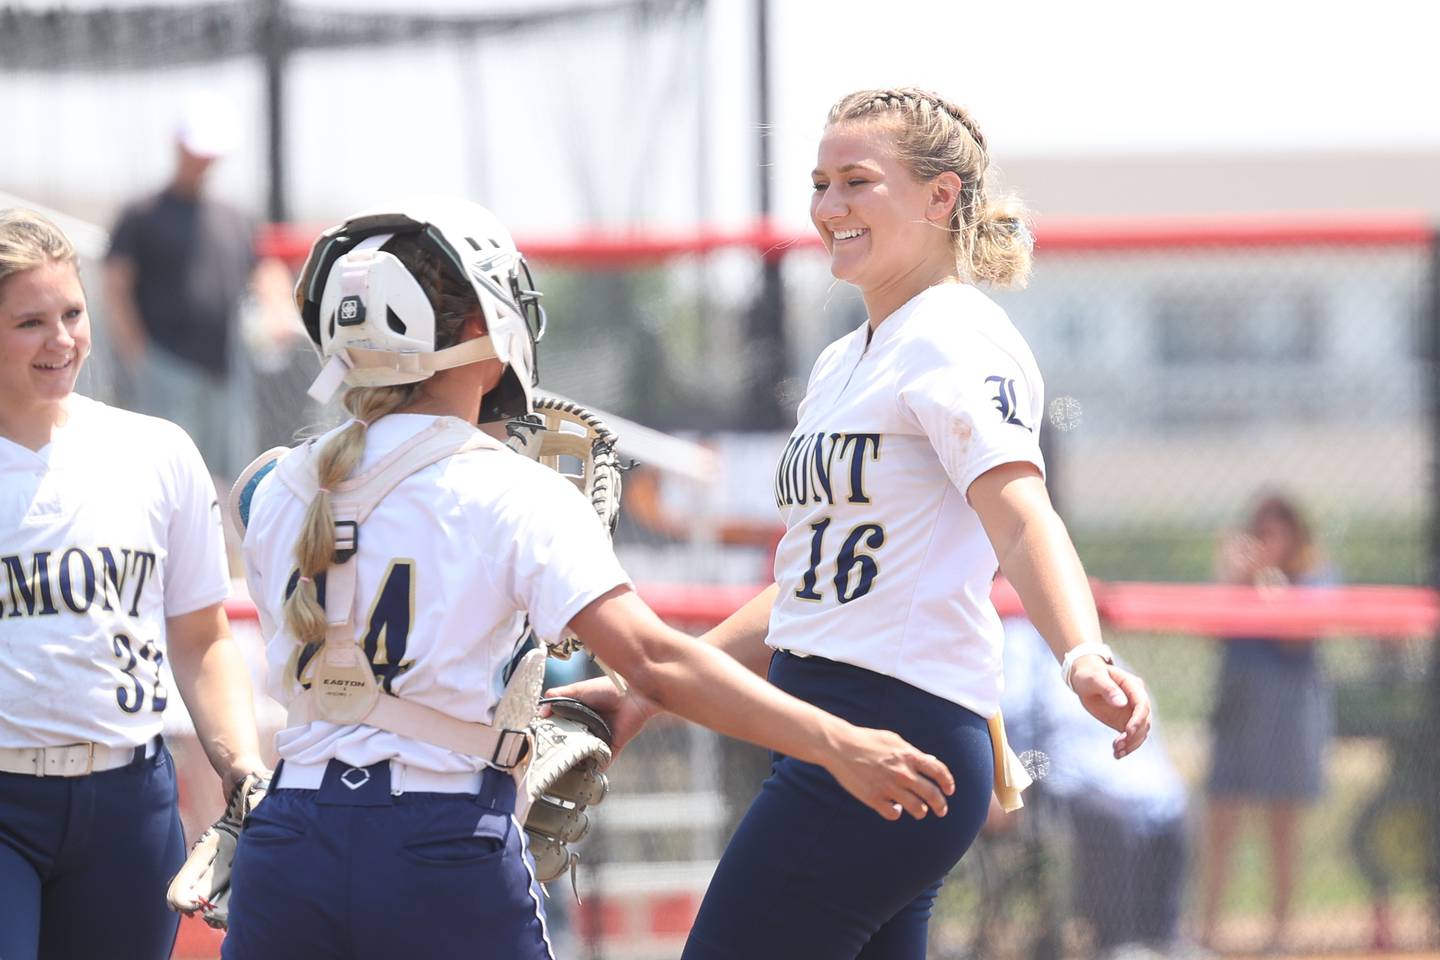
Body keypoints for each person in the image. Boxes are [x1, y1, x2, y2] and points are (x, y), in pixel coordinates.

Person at [218, 198, 955, 960]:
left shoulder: (272, 486)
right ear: (480, 329)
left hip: (290, 840)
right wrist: (836, 743)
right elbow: (657, 664)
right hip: (435, 846)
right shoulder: (513, 491)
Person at [551, 87, 1153, 960]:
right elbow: (808, 592)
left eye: (857, 182)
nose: (828, 207)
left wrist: (1081, 652)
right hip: (829, 727)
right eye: (820, 183)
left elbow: (1022, 515)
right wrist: (645, 693)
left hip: (891, 727)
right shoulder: (845, 358)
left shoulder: (956, 337)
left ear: (941, 196)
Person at [0, 208, 266, 960]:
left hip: (128, 800)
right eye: (30, 322)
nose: (61, 340)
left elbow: (201, 636)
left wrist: (240, 768)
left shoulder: (155, 452)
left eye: (73, 313)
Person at [997, 617, 1190, 959]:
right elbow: (1013, 719)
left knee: (1174, 812)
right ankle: (1116, 944)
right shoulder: (1018, 642)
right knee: (1106, 816)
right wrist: (1017, 784)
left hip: (1117, 773)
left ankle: (1163, 939)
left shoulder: (1091, 648)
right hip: (1063, 781)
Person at [1200, 492, 1334, 952]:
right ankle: (1209, 932)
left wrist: (1266, 583)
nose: (1263, 541)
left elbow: (1299, 638)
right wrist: (1234, 579)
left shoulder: (1313, 577)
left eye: (1273, 532)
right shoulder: (1240, 579)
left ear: (1295, 535)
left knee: (1281, 826)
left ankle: (1279, 935)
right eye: (1258, 532)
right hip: (1239, 706)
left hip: (1289, 711)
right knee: (1222, 819)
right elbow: (1211, 631)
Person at [103, 90, 260, 481]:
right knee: (165, 475)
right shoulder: (141, 213)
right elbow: (115, 284)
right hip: (166, 364)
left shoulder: (233, 217)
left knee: (225, 477)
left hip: (223, 367)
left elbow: (261, 273)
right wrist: (140, 356)